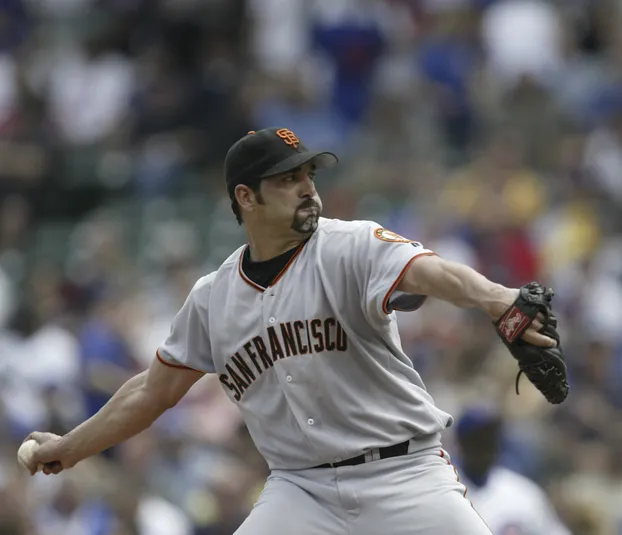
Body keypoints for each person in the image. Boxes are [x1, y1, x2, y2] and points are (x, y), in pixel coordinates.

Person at [19, 127, 559, 535]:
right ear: (246, 198)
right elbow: (150, 391)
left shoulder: (349, 243)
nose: (307, 188)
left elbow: (427, 271)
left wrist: (500, 299)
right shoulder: (213, 298)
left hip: (404, 473)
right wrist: (70, 447)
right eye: (287, 179)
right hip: (300, 490)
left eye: (308, 176)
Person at [454, 407, 572, 535]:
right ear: (461, 443)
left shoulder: (523, 492)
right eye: (478, 439)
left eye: (491, 437)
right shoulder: (446, 492)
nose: (487, 446)